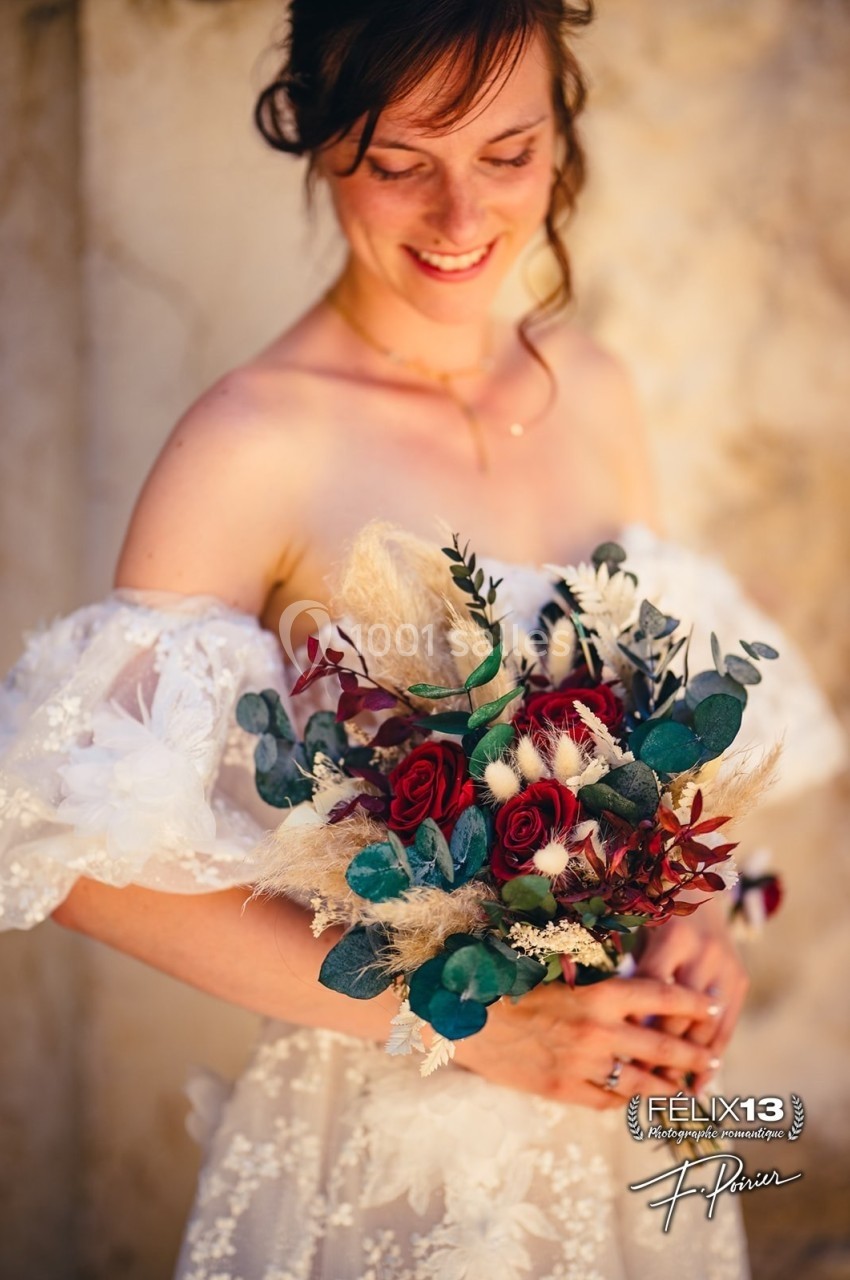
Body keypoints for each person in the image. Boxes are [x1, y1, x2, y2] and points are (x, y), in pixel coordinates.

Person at [1, 2, 845, 1277]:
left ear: (560, 136)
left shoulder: (597, 392)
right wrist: (468, 1027)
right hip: (399, 1152)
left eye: (507, 155)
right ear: (319, 139)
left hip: (631, 1125)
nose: (462, 221)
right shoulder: (250, 442)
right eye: (401, 163)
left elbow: (647, 750)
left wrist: (687, 911)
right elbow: (61, 852)